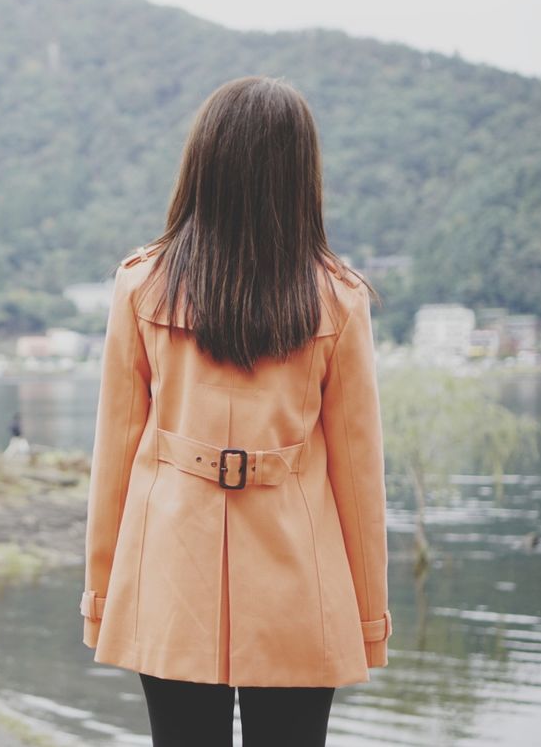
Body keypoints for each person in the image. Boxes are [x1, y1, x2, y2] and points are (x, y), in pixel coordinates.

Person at [79, 75, 392, 747]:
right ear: (299, 173)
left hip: (167, 573)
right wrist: (367, 617)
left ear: (203, 163)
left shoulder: (141, 283)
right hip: (299, 576)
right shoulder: (338, 299)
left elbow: (114, 462)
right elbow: (360, 482)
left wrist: (102, 596)